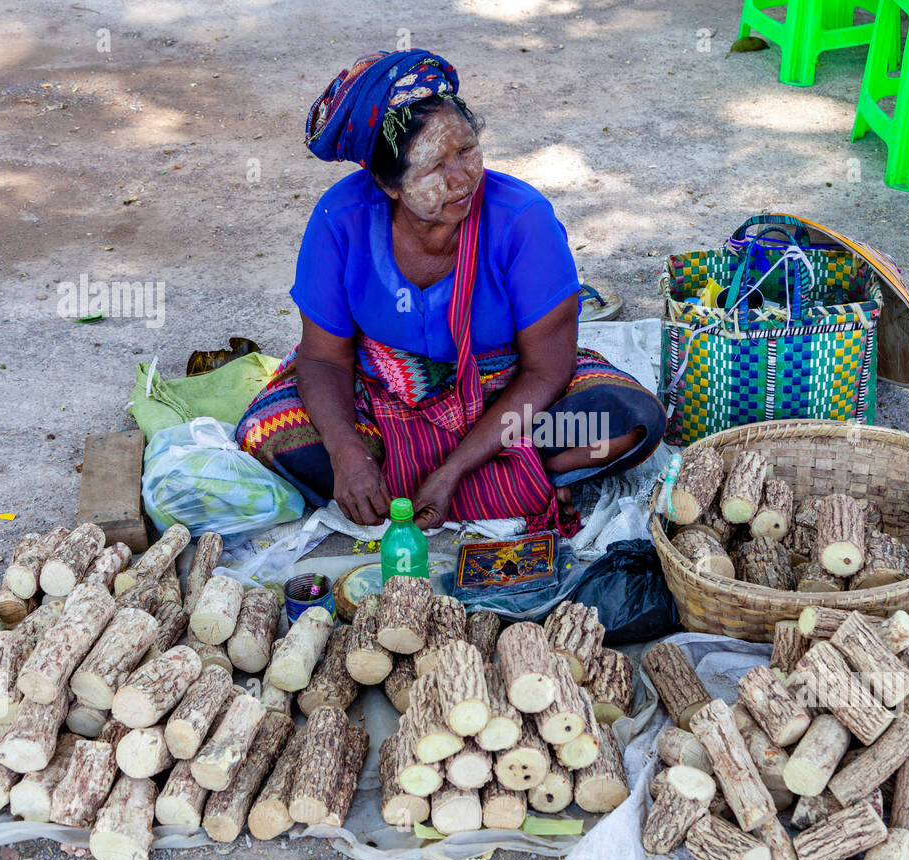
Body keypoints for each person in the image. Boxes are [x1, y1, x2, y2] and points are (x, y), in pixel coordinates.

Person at [237, 50, 665, 532]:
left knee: (628, 419)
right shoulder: (342, 221)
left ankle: (452, 479)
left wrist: (450, 472)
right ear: (388, 183)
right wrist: (348, 453)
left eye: (466, 150)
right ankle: (519, 481)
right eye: (434, 166)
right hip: (382, 395)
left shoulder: (522, 220)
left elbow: (547, 370)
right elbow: (322, 360)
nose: (462, 179)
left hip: (508, 393)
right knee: (270, 432)